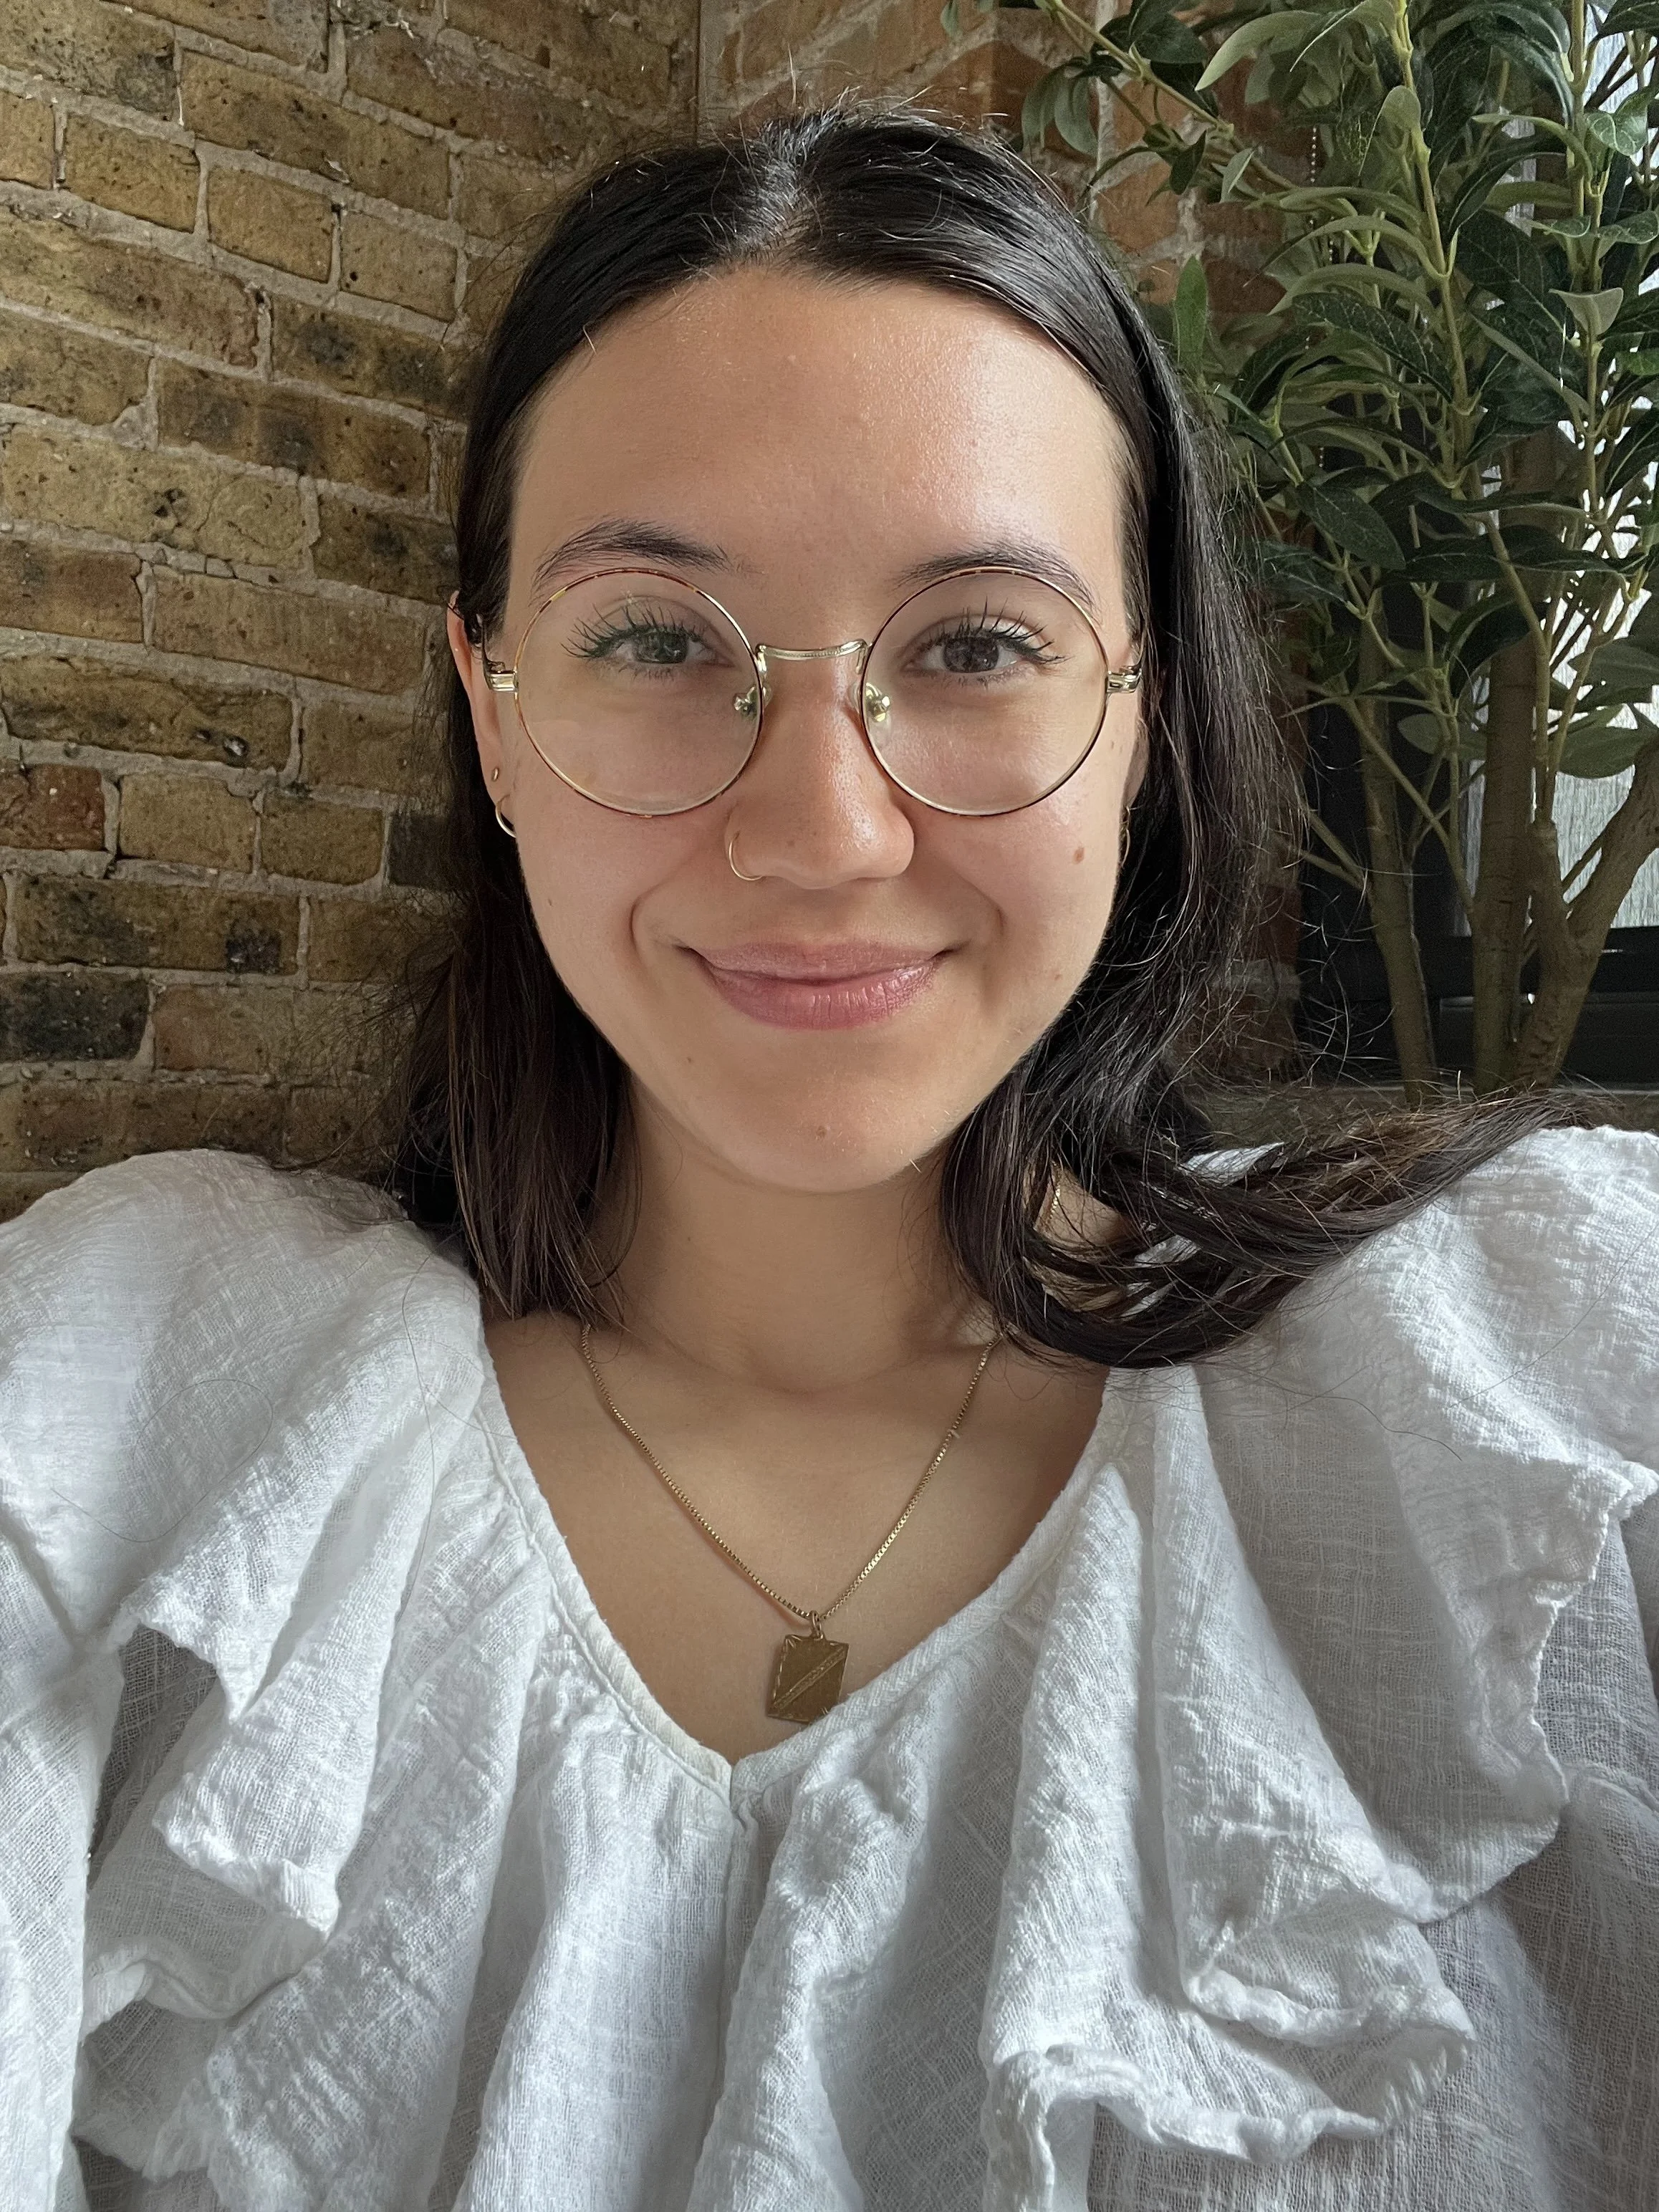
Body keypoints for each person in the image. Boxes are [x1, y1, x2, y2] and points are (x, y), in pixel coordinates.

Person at [2, 105, 1655, 2212]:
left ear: (1142, 723)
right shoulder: (124, 1401)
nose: (817, 830)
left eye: (973, 645)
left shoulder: (1544, 1438)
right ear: (493, 714)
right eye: (655, 639)